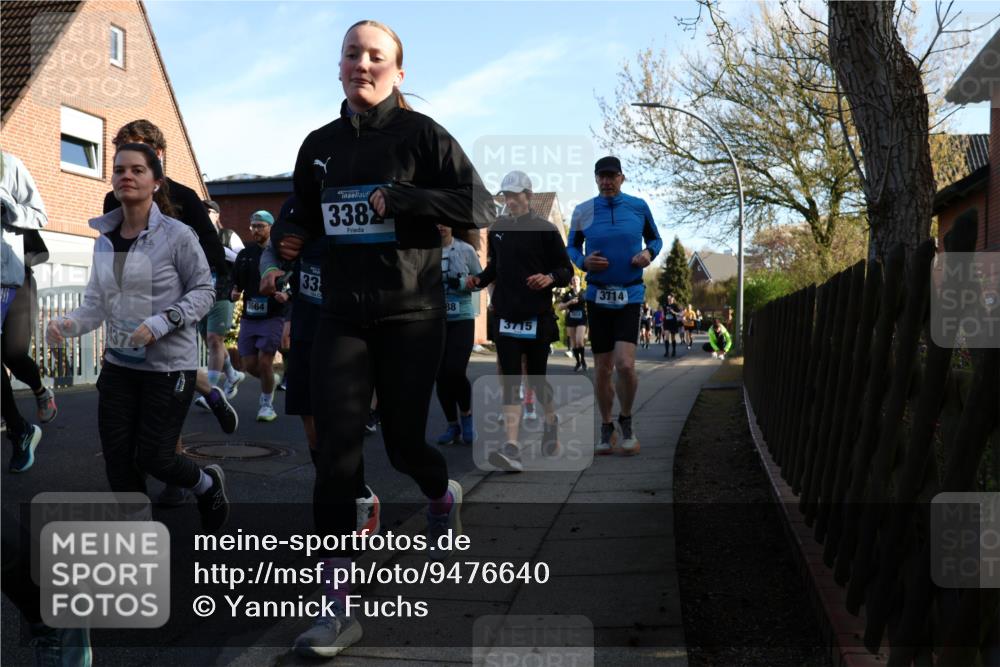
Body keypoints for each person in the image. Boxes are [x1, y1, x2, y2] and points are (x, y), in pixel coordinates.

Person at [263, 19, 494, 657]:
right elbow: (305, 213)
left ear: (398, 71)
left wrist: (406, 198)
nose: (362, 64)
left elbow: (479, 206)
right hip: (339, 314)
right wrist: (292, 238)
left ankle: (441, 490)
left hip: (409, 313)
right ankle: (336, 610)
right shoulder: (319, 143)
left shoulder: (423, 134)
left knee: (401, 444)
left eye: (375, 56)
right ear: (339, 66)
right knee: (335, 455)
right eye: (351, 54)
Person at [46, 142, 228, 532]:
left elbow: (203, 291)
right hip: (119, 364)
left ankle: (207, 483)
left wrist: (163, 322)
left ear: (156, 182)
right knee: (117, 458)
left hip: (167, 366)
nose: (126, 176)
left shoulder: (177, 235)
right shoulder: (105, 239)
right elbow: (95, 304)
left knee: (157, 458)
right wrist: (67, 324)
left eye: (137, 170)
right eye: (119, 170)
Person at [103, 121, 237, 507]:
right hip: (129, 317)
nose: (128, 165)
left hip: (175, 313)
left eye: (138, 152)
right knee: (127, 408)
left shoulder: (184, 197)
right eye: (121, 153)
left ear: (158, 156)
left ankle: (173, 473)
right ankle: (208, 395)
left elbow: (213, 256)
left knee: (162, 396)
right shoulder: (114, 200)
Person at [468, 170, 573, 471]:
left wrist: (549, 277)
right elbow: (496, 266)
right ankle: (512, 447)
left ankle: (550, 422)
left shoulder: (545, 229)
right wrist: (477, 280)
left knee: (537, 380)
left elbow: (565, 270)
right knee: (511, 381)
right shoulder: (499, 228)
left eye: (515, 195)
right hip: (506, 317)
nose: (510, 201)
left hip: (536, 316)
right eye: (506, 196)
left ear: (528, 195)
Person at [567, 156, 662, 456]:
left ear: (622, 178)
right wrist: (583, 261)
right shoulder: (583, 211)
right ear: (595, 179)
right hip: (598, 296)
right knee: (603, 370)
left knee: (626, 365)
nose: (607, 181)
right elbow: (571, 245)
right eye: (601, 177)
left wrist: (649, 254)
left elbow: (656, 240)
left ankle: (627, 419)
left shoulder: (638, 206)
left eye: (612, 176)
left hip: (630, 295)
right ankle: (607, 425)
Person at [1, 152, 54, 473]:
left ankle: (39, 389)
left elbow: (40, 214)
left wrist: (6, 208)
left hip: (14, 277)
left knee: (14, 353)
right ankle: (20, 431)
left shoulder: (10, 166)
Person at [231, 210, 287, 422]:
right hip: (249, 317)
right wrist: (234, 291)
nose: (255, 230)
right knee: (250, 365)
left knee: (264, 362)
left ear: (270, 227)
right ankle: (270, 380)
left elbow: (292, 276)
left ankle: (266, 405)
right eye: (253, 226)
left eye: (260, 226)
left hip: (273, 315)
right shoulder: (245, 254)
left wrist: (287, 293)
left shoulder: (280, 253)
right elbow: (236, 280)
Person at [193, 199, 246, 410]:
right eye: (201, 210)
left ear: (216, 215)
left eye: (208, 211)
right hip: (200, 296)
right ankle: (232, 375)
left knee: (215, 340)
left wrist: (221, 251)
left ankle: (211, 392)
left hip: (223, 294)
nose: (204, 214)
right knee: (210, 341)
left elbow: (243, 259)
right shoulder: (195, 236)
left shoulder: (228, 235)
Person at [435, 224, 482, 446]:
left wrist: (463, 282)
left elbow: (481, 280)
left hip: (462, 317)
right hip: (435, 319)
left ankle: (467, 417)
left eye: (445, 222)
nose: (441, 227)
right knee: (440, 375)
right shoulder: (426, 251)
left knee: (455, 370)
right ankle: (452, 425)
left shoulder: (466, 250)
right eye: (436, 223)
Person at [557, 275, 588, 371]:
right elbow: (560, 307)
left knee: (579, 341)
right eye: (573, 279)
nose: (575, 281)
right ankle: (578, 362)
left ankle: (583, 360)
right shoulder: (568, 294)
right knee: (574, 344)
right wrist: (569, 302)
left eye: (577, 279)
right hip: (571, 319)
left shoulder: (584, 292)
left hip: (582, 318)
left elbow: (591, 304)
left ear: (580, 281)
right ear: (571, 282)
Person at [662, 294, 683, 358]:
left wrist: (674, 312)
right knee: (666, 337)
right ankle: (667, 352)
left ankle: (674, 351)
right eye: (668, 298)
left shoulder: (675, 305)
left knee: (673, 337)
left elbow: (680, 314)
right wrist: (662, 322)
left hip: (673, 323)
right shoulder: (665, 305)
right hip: (666, 323)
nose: (669, 298)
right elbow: (663, 314)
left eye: (670, 298)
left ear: (673, 298)